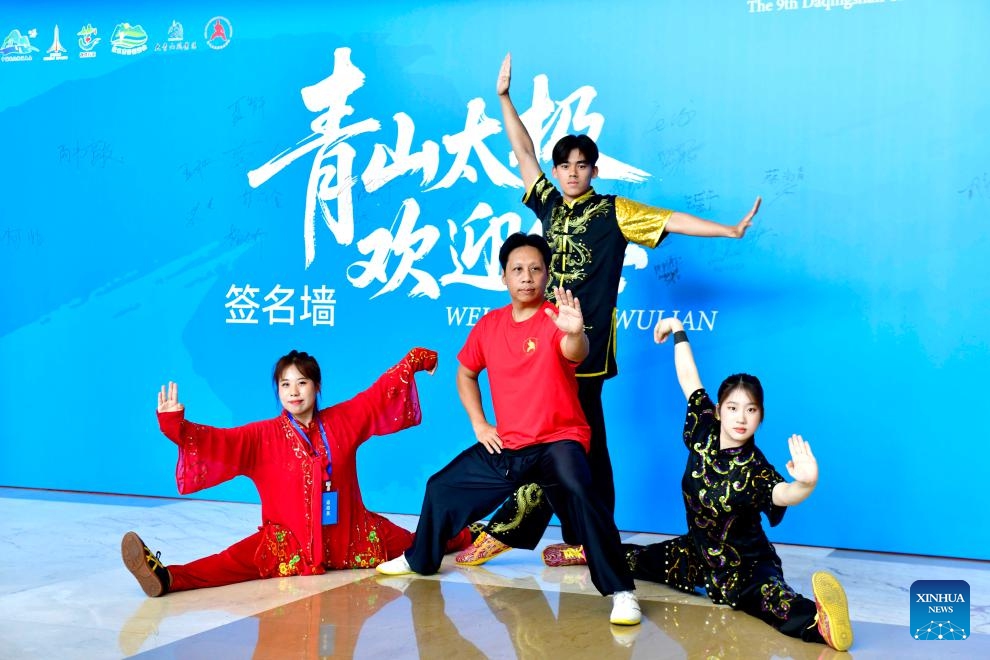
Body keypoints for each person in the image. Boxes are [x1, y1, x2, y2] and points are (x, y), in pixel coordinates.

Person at [457, 53, 764, 567]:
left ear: (594, 171)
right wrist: (505, 99)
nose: (573, 174)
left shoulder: (615, 210)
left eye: (582, 166)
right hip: (543, 346)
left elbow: (673, 219)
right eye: (565, 167)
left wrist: (728, 230)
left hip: (587, 351)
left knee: (580, 448)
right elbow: (522, 151)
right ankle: (548, 532)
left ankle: (568, 534)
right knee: (544, 442)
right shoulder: (549, 204)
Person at [376, 233, 641, 626]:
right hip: (510, 446)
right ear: (504, 277)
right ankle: (421, 559)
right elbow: (465, 373)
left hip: (558, 441)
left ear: (547, 276)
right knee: (440, 487)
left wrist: (575, 333)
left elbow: (576, 353)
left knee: (584, 492)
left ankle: (622, 592)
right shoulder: (489, 326)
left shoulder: (555, 319)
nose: (527, 277)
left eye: (536, 269)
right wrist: (480, 424)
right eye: (518, 269)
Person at [121, 348, 473, 597]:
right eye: (285, 384)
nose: (293, 391)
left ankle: (470, 536)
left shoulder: (343, 421)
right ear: (277, 390)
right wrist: (175, 426)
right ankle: (166, 578)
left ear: (317, 387)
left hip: (354, 535)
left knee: (421, 544)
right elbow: (217, 442)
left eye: (302, 382)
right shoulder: (261, 436)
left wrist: (412, 361)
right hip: (286, 543)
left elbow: (377, 396)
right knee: (227, 563)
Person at [620, 316, 853, 651]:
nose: (741, 417)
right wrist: (676, 327)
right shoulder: (703, 430)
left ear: (761, 416)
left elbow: (782, 493)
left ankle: (823, 625)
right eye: (732, 407)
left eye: (751, 409)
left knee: (776, 602)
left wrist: (807, 483)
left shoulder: (756, 469)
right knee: (633, 559)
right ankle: (586, 550)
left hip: (747, 566)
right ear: (718, 411)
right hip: (696, 554)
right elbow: (689, 377)